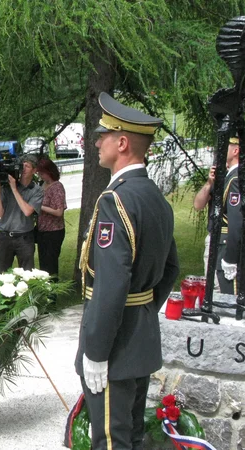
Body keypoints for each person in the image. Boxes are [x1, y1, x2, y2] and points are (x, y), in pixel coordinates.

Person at [75, 92, 178, 450]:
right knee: (132, 437)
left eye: (103, 135)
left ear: (122, 143)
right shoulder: (154, 196)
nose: (98, 141)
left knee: (111, 441)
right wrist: (143, 308)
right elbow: (170, 269)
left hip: (114, 348)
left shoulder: (115, 200)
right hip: (140, 338)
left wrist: (97, 351)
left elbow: (111, 284)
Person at [214, 137, 245, 295]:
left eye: (224, 146)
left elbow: (236, 222)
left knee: (232, 307)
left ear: (236, 151)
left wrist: (230, 258)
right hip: (244, 246)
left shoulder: (235, 179)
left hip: (233, 249)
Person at [0, 154, 44, 273]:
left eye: (27, 166)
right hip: (5, 237)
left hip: (25, 238)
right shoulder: (7, 187)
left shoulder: (37, 191)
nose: (24, 169)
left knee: (27, 274)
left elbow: (27, 211)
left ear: (34, 170)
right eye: (22, 166)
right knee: (1, 274)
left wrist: (14, 189)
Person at [35, 157, 67, 279]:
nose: (40, 176)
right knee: (43, 265)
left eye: (42, 173)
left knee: (50, 265)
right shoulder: (44, 185)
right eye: (39, 173)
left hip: (54, 231)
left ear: (49, 171)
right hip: (42, 230)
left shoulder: (57, 187)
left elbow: (59, 212)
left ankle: (52, 294)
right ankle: (46, 290)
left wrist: (40, 207)